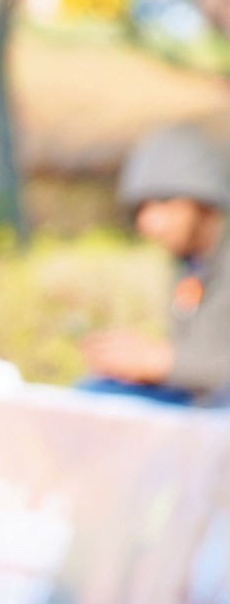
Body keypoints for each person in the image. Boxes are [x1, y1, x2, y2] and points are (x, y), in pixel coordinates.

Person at [86, 124, 230, 401]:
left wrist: (164, 362)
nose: (148, 222)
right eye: (142, 208)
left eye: (164, 202)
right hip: (197, 409)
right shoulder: (190, 266)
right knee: (96, 393)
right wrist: (139, 359)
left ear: (205, 201)